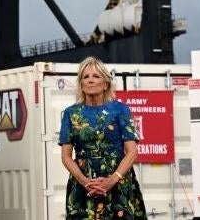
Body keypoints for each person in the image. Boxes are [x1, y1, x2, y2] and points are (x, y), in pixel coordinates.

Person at [59, 57, 147, 220]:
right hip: (82, 185)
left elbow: (132, 152)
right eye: (86, 77)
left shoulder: (120, 110)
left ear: (106, 83)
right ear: (81, 84)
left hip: (118, 183)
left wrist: (112, 180)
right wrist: (85, 181)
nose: (90, 80)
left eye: (96, 76)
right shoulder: (71, 114)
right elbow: (65, 156)